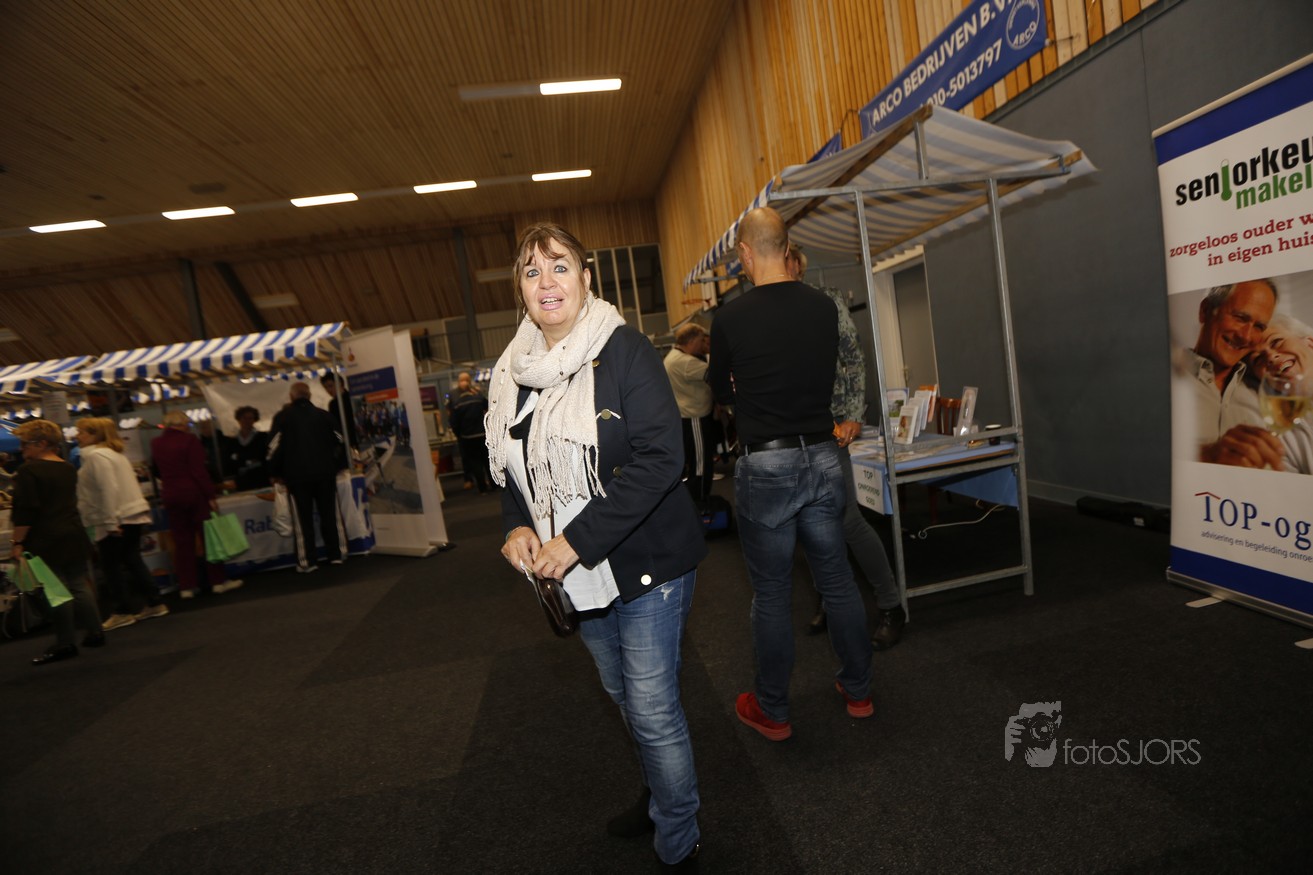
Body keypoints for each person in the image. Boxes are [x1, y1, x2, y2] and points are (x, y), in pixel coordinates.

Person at [488, 223, 706, 871]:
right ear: (520, 290)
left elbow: (661, 459)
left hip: (645, 562)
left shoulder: (624, 349)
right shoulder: (515, 371)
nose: (547, 282)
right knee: (623, 697)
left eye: (560, 266)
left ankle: (679, 836)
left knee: (651, 706)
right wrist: (516, 525)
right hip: (575, 577)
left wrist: (574, 541)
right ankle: (659, 795)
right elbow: (514, 467)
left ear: (585, 278)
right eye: (532, 271)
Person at [708, 207, 873, 741]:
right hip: (823, 456)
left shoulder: (730, 317)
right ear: (786, 246)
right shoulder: (825, 307)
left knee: (773, 593)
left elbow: (721, 391)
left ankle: (773, 710)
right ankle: (859, 690)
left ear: (745, 253)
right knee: (837, 580)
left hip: (767, 465)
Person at [786, 245, 904, 649]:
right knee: (809, 523)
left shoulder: (827, 301)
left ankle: (890, 605)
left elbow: (853, 359)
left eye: (784, 260)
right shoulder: (772, 309)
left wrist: (854, 413)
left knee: (849, 521)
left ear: (796, 265)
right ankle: (829, 598)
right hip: (791, 434)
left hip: (832, 427)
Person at [9, 419, 104, 665]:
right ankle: (95, 632)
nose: (21, 448)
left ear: (42, 443)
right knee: (79, 584)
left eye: (26, 443)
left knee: (56, 590)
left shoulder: (29, 471)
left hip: (46, 538)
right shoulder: (67, 467)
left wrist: (17, 542)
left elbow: (26, 510)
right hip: (72, 532)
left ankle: (65, 643)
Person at [1175, 280, 1283, 469]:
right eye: (1240, 318)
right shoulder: (1163, 376)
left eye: (1259, 326)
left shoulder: (1265, 392)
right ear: (1205, 311)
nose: (1246, 336)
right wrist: (1206, 455)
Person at [75, 417, 169, 631]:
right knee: (132, 560)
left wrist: (110, 522)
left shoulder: (97, 456)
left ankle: (123, 611)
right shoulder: (115, 454)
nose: (77, 436)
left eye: (81, 432)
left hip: (116, 517)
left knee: (111, 566)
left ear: (95, 435)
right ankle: (154, 602)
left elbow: (108, 490)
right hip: (130, 513)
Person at [151, 411, 244, 598]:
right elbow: (199, 471)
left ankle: (187, 586)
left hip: (171, 495)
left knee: (182, 542)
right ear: (182, 423)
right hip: (194, 494)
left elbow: (156, 470)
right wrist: (210, 496)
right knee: (210, 538)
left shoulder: (156, 443)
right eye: (188, 423)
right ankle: (217, 582)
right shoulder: (190, 440)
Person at [267, 382, 348, 572]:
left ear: (291, 397)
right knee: (330, 516)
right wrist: (337, 465)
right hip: (325, 474)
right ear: (309, 395)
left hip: (297, 477)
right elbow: (340, 440)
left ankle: (308, 561)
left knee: (303, 521)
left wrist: (274, 472)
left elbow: (273, 448)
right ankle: (336, 554)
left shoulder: (282, 418)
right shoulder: (324, 415)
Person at [1245, 311, 1313, 474]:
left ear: (1310, 344)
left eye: (1276, 342)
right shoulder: (1281, 436)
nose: (1270, 357)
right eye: (1258, 359)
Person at [663, 323, 716, 510]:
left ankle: (696, 502)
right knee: (700, 465)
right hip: (694, 418)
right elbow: (714, 376)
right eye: (702, 340)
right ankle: (700, 504)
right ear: (692, 340)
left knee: (695, 462)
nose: (703, 344)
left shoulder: (673, 355)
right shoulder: (686, 362)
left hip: (686, 417)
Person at [447, 371, 493, 493]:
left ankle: (482, 487)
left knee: (474, 461)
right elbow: (488, 408)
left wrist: (458, 434)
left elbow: (453, 420)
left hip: (467, 436)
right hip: (481, 434)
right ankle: (492, 484)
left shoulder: (457, 402)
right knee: (486, 459)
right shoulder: (478, 396)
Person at [221, 405, 271, 491]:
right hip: (241, 480)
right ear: (238, 419)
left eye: (250, 418)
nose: (247, 421)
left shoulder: (262, 437)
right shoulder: (232, 441)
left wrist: (239, 458)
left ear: (254, 420)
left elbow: (263, 456)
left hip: (261, 478)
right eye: (244, 418)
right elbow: (228, 461)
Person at [321, 373, 359, 452]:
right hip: (347, 442)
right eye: (325, 387)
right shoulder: (333, 404)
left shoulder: (350, 399)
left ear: (340, 383)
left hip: (354, 440)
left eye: (330, 386)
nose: (328, 390)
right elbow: (335, 426)